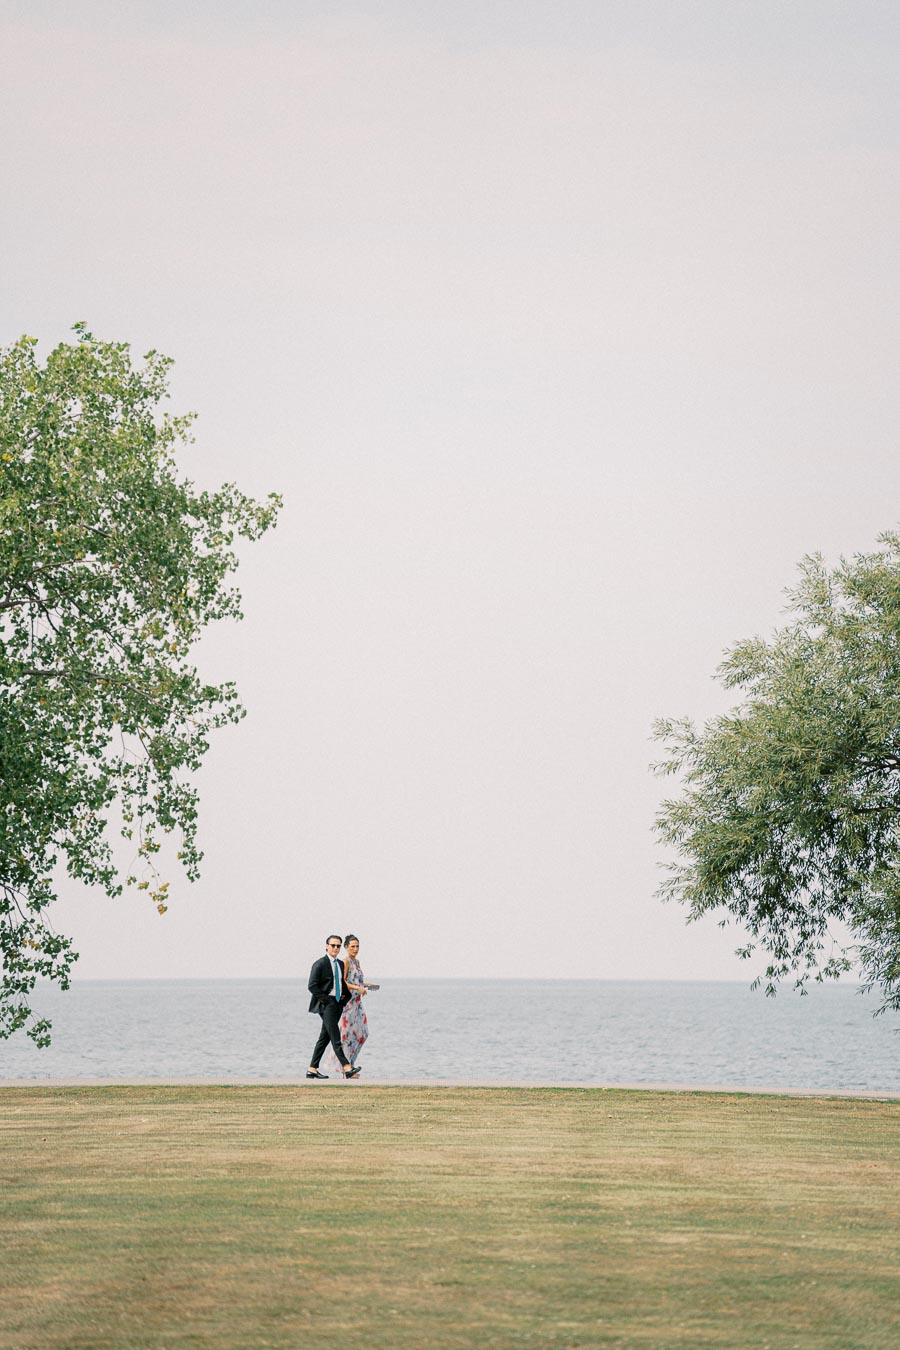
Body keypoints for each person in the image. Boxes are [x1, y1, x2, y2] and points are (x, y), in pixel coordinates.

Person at [306, 935, 361, 1080]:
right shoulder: (320, 964)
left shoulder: (340, 964)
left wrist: (345, 999)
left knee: (324, 1037)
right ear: (326, 946)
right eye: (333, 945)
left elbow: (341, 983)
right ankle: (347, 1067)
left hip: (337, 1003)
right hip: (326, 1004)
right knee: (335, 1037)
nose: (335, 948)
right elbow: (312, 986)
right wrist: (326, 1001)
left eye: (338, 946)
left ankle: (312, 1069)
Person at [322, 934, 374, 1075]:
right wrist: (357, 988)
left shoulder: (356, 962)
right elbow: (343, 982)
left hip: (358, 1004)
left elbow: (356, 980)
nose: (355, 949)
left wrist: (366, 985)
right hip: (348, 1004)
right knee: (345, 1036)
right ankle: (347, 1069)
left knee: (362, 1034)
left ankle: (350, 1064)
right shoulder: (345, 962)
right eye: (352, 946)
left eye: (357, 946)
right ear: (346, 947)